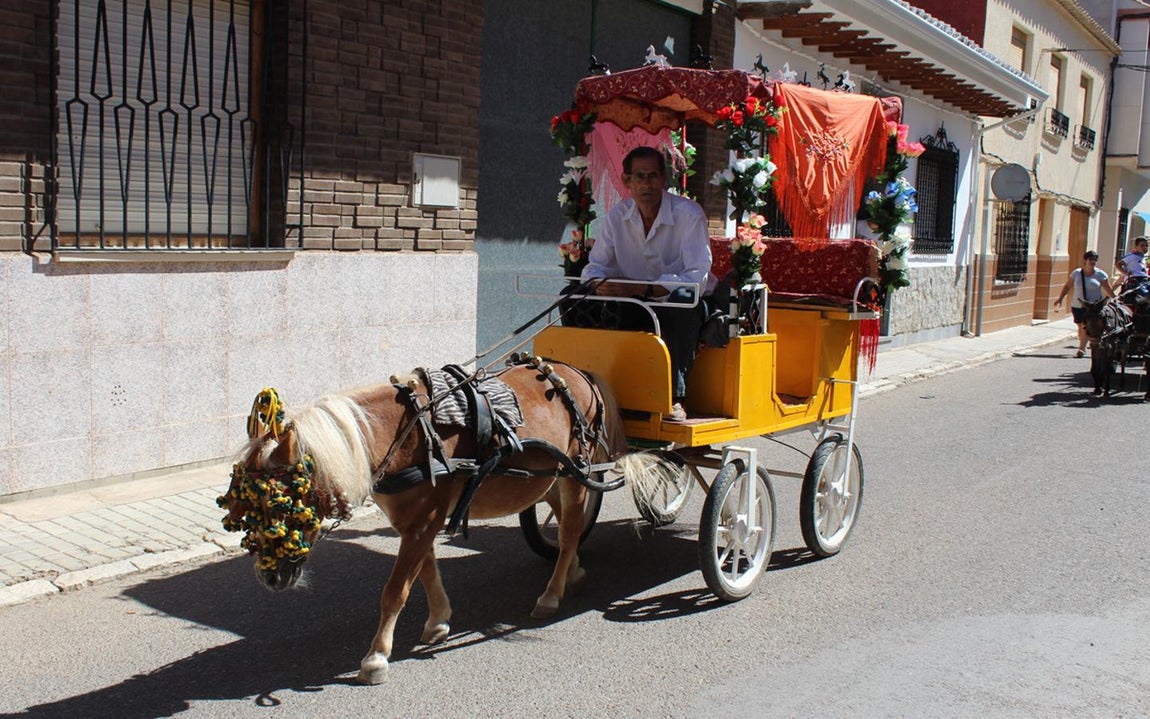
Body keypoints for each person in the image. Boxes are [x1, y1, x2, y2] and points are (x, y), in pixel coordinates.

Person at [580, 146, 713, 422]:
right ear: (627, 181)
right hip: (633, 302)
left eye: (653, 176)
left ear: (664, 179)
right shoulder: (617, 217)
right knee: (573, 296)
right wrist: (599, 283)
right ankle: (584, 386)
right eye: (639, 176)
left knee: (681, 303)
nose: (646, 184)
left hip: (682, 304)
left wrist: (643, 289)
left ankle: (674, 396)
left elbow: (696, 279)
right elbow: (595, 266)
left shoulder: (689, 214)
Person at [1054, 249, 1115, 357]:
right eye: (1090, 259)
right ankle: (1083, 344)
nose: (1092, 262)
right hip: (1077, 305)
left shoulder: (1100, 274)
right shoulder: (1076, 273)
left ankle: (1081, 349)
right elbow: (1067, 286)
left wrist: (1115, 299)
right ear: (1085, 260)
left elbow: (1107, 288)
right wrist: (1060, 298)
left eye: (1094, 260)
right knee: (1080, 326)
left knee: (1084, 326)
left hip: (1093, 307)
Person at [1116, 235, 1149, 300]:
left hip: (1145, 280)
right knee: (1145, 295)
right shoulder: (1131, 256)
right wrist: (1125, 273)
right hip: (1135, 281)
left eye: (1146, 246)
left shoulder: (1143, 257)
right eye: (1142, 245)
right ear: (1136, 247)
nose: (1145, 247)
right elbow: (1118, 264)